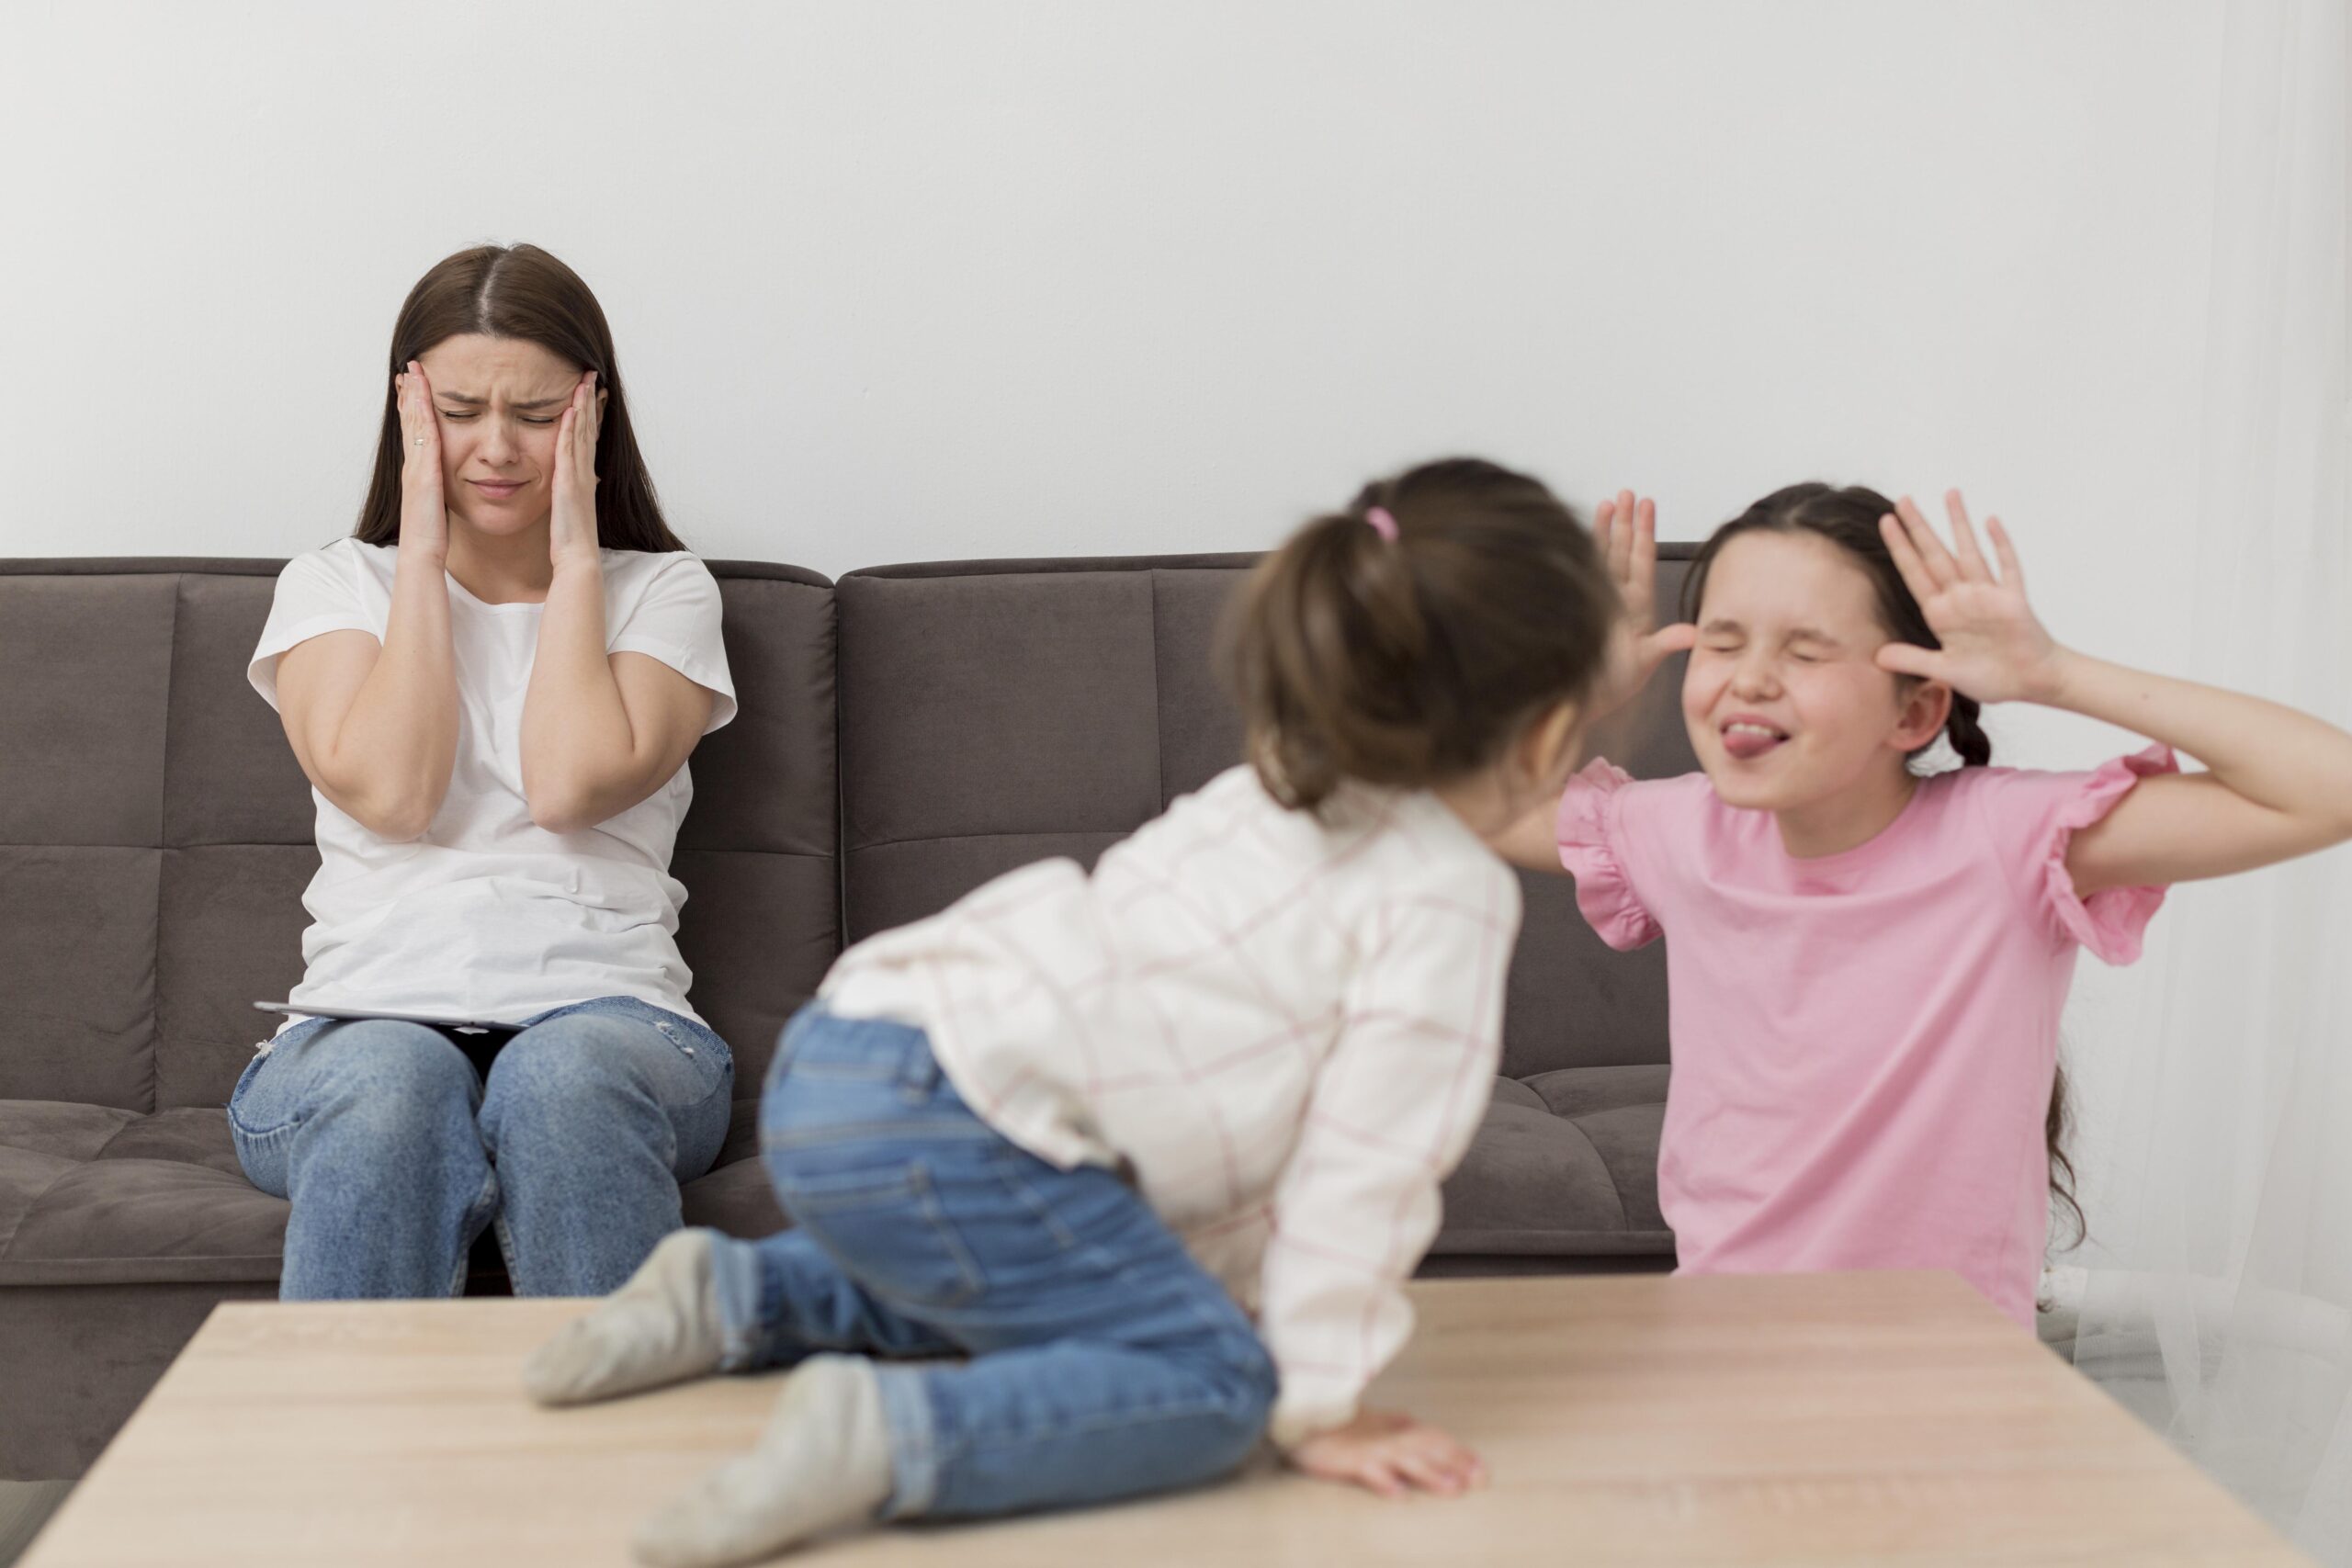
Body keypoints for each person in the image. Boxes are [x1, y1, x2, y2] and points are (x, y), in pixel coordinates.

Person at [524, 457, 1621, 1567]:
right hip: (968, 1121)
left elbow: (1212, 1155)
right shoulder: (1447, 897)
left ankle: (735, 1297)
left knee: (1048, 1283)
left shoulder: (1270, 788)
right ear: (1543, 733)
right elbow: (1364, 1173)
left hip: (858, 1055)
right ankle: (888, 1435)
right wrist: (1321, 1398)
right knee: (1215, 1385)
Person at [1504, 482, 2352, 1328]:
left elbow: (2328, 789)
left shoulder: (2003, 838)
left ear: (1914, 710)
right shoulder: (1682, 831)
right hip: (1728, 1354)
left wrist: (2056, 674)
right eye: (1722, 643)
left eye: (1805, 651)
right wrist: (1574, 696)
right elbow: (1466, 802)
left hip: (1950, 1372)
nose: (1751, 679)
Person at [232, 243, 738, 1301]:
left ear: (594, 413)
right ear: (407, 409)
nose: (496, 449)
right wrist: (419, 550)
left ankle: (618, 1464)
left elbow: (567, 784)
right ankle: (345, 1466)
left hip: (616, 1028)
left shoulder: (663, 594)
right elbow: (396, 794)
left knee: (560, 1079)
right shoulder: (334, 587)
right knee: (393, 1081)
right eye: (459, 411)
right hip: (358, 1029)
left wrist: (573, 561)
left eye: (539, 415)